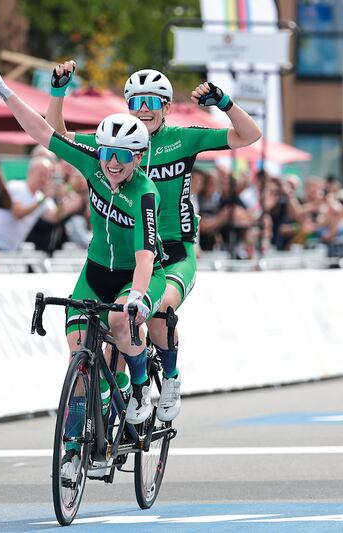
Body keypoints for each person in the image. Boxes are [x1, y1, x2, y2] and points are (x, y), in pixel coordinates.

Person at [46, 61, 261, 421]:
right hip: (130, 258)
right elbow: (57, 137)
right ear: (127, 105)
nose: (143, 107)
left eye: (153, 100)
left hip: (173, 252)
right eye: (136, 100)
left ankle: (171, 378)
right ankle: (123, 397)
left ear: (167, 107)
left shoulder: (183, 139)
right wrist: (58, 93)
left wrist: (225, 104)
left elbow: (249, 135)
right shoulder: (117, 143)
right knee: (116, 332)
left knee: (158, 312)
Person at [0, 68, 166, 480]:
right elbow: (42, 132)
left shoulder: (146, 193)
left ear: (138, 157)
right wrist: (5, 91)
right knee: (79, 358)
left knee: (121, 322)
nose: (113, 163)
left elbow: (144, 258)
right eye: (107, 153)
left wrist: (137, 297)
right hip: (95, 272)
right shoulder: (94, 164)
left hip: (131, 277)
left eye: (123, 156)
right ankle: (72, 450)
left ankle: (138, 390)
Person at [0, 157, 80, 251]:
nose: (45, 179)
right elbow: (18, 213)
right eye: (42, 174)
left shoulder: (41, 197)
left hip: (11, 250)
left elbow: (55, 217)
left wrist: (61, 198)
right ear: (30, 172)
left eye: (48, 176)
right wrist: (43, 199)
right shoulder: (16, 186)